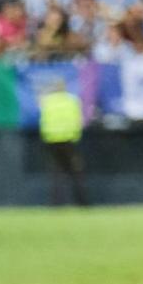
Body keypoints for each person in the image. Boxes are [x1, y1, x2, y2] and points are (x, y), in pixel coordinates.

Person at [38, 77, 89, 206]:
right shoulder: (72, 100)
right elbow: (77, 120)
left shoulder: (48, 102)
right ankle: (82, 203)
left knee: (57, 173)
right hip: (68, 140)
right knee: (76, 172)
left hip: (52, 140)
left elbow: (44, 121)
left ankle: (57, 203)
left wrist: (47, 137)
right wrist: (76, 137)